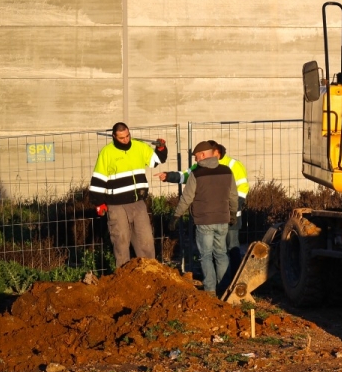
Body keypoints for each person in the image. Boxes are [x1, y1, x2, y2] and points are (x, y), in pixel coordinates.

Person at [89, 122, 168, 266]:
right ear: (114, 136)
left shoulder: (139, 147)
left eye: (127, 136)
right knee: (121, 241)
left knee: (146, 240)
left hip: (138, 203)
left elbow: (156, 160)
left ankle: (149, 272)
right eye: (121, 138)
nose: (126, 140)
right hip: (116, 205)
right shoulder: (107, 152)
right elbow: (98, 178)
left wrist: (161, 148)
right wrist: (98, 202)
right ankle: (123, 275)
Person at [172, 141, 238, 295]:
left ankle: (210, 291)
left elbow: (187, 198)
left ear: (203, 155)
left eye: (196, 157)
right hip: (223, 219)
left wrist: (176, 215)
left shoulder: (196, 174)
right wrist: (233, 214)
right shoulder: (227, 171)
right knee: (221, 254)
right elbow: (233, 196)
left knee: (206, 256)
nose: (195, 160)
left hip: (204, 222)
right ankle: (225, 289)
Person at [161, 143, 248, 253]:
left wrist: (231, 209)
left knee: (231, 246)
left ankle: (235, 270)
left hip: (229, 215)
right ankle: (223, 270)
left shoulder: (232, 165)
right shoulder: (201, 166)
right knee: (218, 252)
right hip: (216, 216)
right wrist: (168, 176)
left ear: (216, 152)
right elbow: (186, 176)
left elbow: (242, 188)